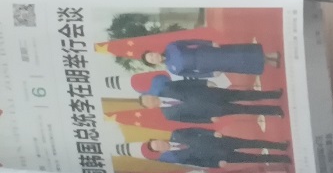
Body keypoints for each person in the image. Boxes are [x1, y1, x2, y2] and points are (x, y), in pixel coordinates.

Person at [95, 32, 280, 77]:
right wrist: (210, 74)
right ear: (154, 64)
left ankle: (268, 54)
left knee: (236, 53)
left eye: (151, 55)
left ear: (154, 52)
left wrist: (209, 43)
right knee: (236, 65)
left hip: (207, 52)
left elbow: (191, 41)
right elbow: (192, 75)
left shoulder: (171, 47)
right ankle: (267, 63)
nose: (154, 57)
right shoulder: (173, 69)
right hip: (207, 66)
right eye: (151, 60)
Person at [139, 74, 286, 123]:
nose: (151, 100)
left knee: (243, 95)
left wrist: (205, 83)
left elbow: (187, 83)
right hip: (213, 111)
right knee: (243, 109)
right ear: (150, 107)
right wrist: (209, 120)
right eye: (148, 103)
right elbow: (191, 120)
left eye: (148, 97)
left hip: (210, 93)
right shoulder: (168, 115)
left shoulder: (167, 88)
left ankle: (273, 94)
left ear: (151, 94)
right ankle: (274, 111)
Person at [141, 131, 291, 168]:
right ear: (160, 152)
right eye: (158, 148)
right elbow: (198, 163)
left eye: (157, 143)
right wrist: (216, 165)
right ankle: (281, 159)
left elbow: (195, 129)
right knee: (252, 158)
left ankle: (279, 146)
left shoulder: (177, 134)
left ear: (159, 139)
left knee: (251, 143)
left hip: (219, 141)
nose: (160, 145)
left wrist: (212, 133)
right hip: (218, 157)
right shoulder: (177, 158)